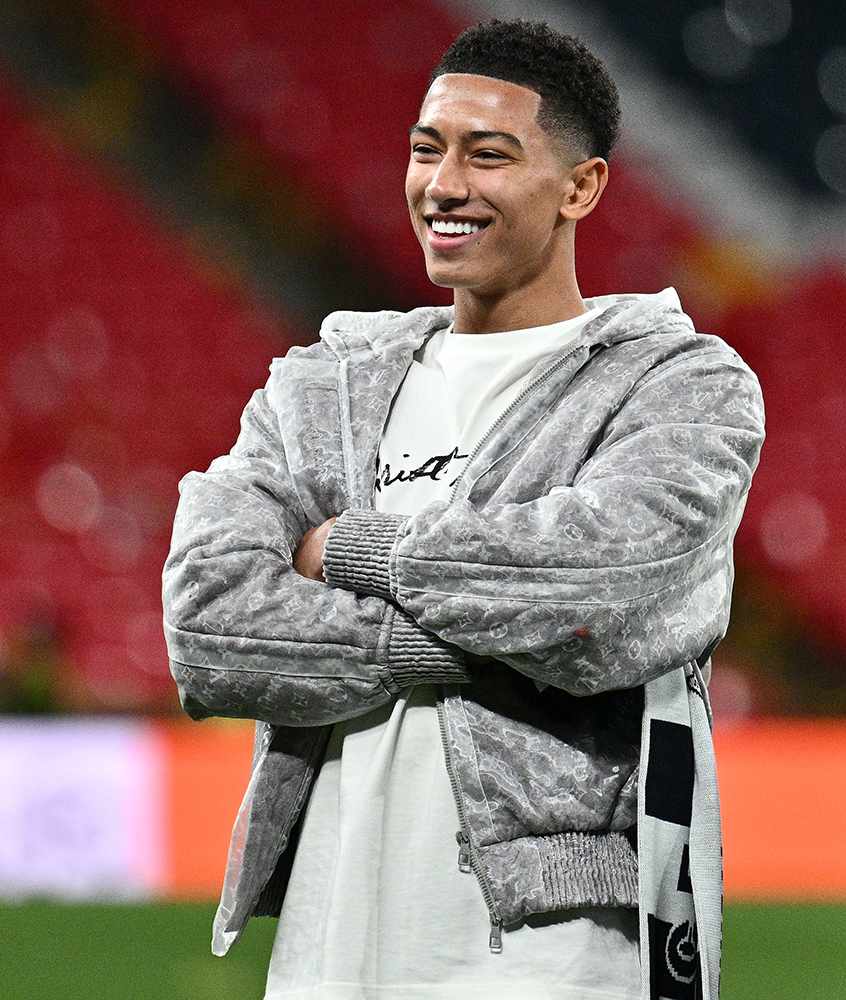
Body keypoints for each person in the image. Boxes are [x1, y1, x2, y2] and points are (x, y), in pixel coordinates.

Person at [162, 19, 762, 1000]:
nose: (444, 184)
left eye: (489, 154)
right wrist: (501, 640)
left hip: (552, 952)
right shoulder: (323, 383)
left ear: (582, 187)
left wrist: (351, 550)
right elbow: (209, 626)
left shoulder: (677, 385)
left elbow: (599, 595)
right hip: (325, 949)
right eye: (425, 149)